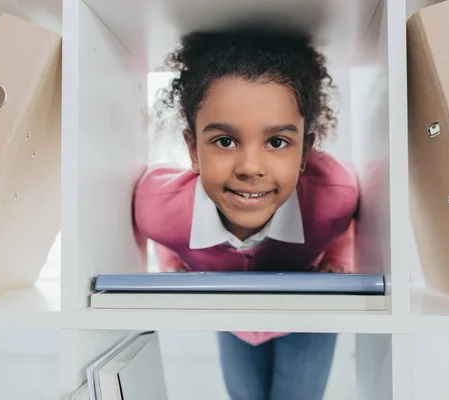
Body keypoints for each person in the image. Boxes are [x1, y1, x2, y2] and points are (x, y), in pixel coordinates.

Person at [132, 23, 359, 400]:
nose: (250, 167)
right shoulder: (158, 207)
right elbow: (164, 231)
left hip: (308, 304)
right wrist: (173, 264)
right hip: (232, 309)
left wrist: (338, 260)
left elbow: (342, 221)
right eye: (225, 140)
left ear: (305, 152)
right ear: (192, 149)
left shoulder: (334, 195)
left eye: (276, 141)